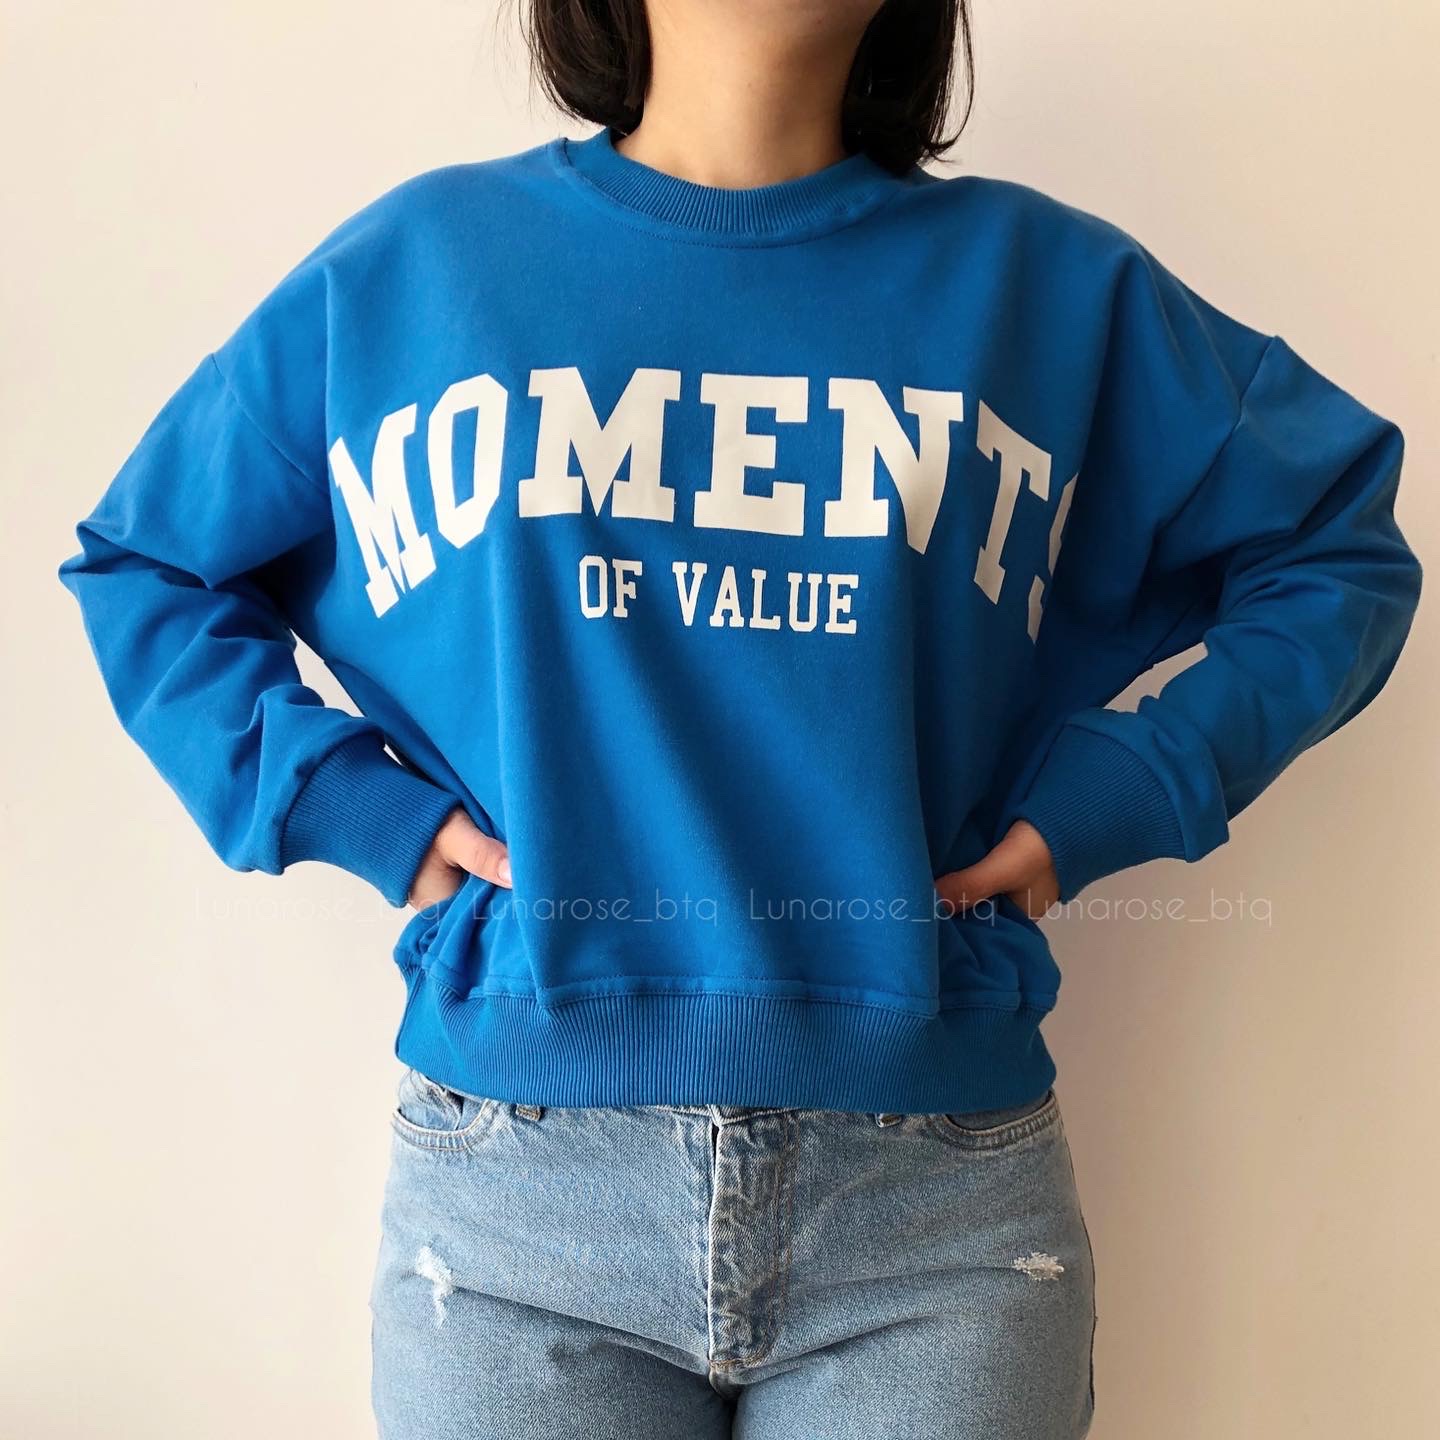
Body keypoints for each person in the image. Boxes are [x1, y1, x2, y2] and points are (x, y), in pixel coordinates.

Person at [56, 1, 1422, 1435]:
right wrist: (355, 808)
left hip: (935, 1219)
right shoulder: (420, 269)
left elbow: (1336, 541)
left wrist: (1114, 797)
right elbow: (150, 561)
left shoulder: (1049, 292)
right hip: (521, 1211)